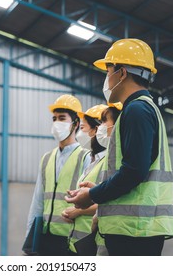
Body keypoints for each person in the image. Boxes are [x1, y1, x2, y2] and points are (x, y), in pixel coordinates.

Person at [65, 38, 173, 256]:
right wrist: (97, 187)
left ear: (122, 73)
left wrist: (92, 195)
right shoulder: (140, 109)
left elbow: (134, 171)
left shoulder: (137, 110)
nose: (106, 78)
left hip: (134, 232)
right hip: (135, 231)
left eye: (109, 71)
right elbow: (136, 171)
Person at [22, 94, 90, 256]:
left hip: (70, 239)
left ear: (76, 124)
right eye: (54, 119)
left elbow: (91, 200)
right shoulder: (46, 158)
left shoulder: (85, 157)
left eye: (62, 118)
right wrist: (29, 239)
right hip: (45, 237)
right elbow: (37, 202)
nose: (56, 123)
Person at [63, 103, 121, 255]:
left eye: (82, 128)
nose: (78, 133)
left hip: (94, 240)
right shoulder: (91, 160)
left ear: (95, 130)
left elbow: (110, 200)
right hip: (78, 241)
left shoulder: (109, 162)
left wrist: (78, 212)